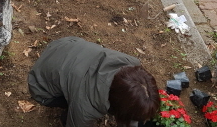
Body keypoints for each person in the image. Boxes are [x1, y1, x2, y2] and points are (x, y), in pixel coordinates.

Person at [28, 37, 160, 127]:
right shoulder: (86, 107)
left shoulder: (130, 63)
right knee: (73, 110)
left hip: (66, 45)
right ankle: (64, 116)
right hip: (40, 84)